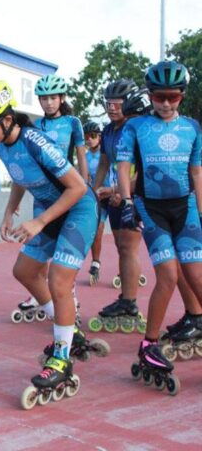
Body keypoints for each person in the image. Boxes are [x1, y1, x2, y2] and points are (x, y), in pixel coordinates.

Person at [0, 81, 99, 407]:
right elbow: (20, 180)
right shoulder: (1, 145)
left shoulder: (36, 140)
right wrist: (9, 212)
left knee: (59, 279)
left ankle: (62, 358)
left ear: (7, 120)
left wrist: (38, 221)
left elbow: (78, 187)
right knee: (24, 271)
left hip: (77, 210)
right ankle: (69, 330)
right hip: (49, 213)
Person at [117, 61, 202, 394]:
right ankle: (148, 344)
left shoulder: (193, 128)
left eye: (173, 97)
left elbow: (196, 175)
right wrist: (125, 202)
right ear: (149, 95)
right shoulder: (135, 127)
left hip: (185, 208)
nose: (166, 104)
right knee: (168, 274)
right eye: (159, 97)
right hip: (150, 208)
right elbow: (124, 167)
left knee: (196, 275)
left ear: (182, 95)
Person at [90, 80, 148, 332]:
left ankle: (130, 301)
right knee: (122, 248)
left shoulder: (137, 129)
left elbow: (145, 171)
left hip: (134, 196)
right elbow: (104, 162)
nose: (112, 108)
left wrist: (118, 192)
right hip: (113, 196)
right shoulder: (109, 131)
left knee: (129, 247)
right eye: (108, 103)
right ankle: (126, 299)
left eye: (117, 104)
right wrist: (96, 188)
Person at [34, 75, 88, 179]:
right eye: (44, 99)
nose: (49, 103)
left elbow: (81, 156)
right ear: (39, 100)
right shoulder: (36, 124)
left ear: (62, 98)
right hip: (45, 182)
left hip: (68, 181)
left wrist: (85, 186)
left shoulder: (73, 122)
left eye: (53, 98)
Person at [83, 121, 107, 285]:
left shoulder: (107, 153)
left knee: (122, 240)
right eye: (86, 137)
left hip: (112, 196)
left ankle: (126, 267)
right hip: (97, 198)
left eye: (92, 136)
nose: (89, 140)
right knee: (97, 232)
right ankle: (96, 263)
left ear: (99, 137)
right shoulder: (84, 156)